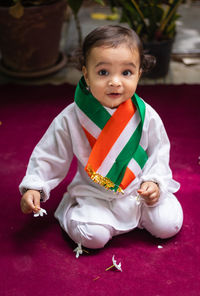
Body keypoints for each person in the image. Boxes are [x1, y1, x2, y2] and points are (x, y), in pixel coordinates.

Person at [19, 25, 183, 250]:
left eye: (126, 72)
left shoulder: (146, 114)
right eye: (103, 72)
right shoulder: (72, 116)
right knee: (93, 237)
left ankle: (142, 212)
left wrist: (153, 182)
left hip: (137, 192)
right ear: (86, 74)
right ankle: (72, 211)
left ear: (139, 73)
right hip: (95, 194)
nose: (115, 82)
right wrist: (35, 187)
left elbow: (159, 151)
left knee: (169, 224)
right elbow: (50, 153)